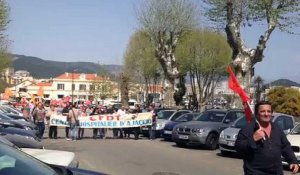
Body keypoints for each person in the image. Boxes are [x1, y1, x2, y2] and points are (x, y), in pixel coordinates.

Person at [236, 101, 299, 175]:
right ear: (256, 114)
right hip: (255, 172)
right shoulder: (248, 129)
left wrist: (293, 161)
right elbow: (238, 147)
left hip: (276, 172)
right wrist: (253, 139)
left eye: (268, 111)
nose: (266, 114)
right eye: (262, 111)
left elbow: (285, 147)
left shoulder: (277, 128)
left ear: (271, 113)